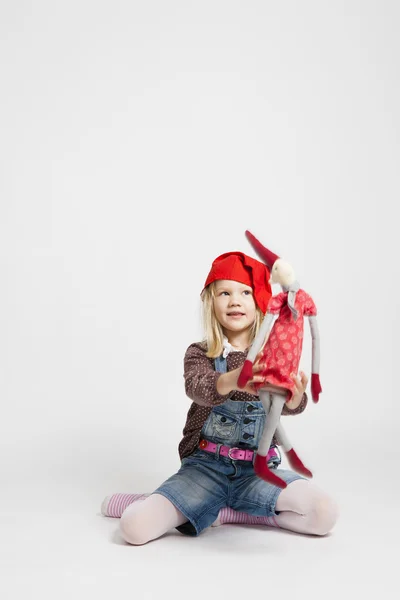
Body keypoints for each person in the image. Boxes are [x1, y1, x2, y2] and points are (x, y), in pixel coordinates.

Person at [101, 251, 339, 544]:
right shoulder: (201, 353)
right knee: (133, 529)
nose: (234, 300)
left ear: (260, 303)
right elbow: (196, 386)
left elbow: (286, 406)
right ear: (210, 302)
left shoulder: (272, 356)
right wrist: (231, 379)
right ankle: (169, 500)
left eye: (245, 292)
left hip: (257, 472)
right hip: (205, 470)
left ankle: (230, 511)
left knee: (324, 514)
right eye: (224, 292)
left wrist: (293, 399)